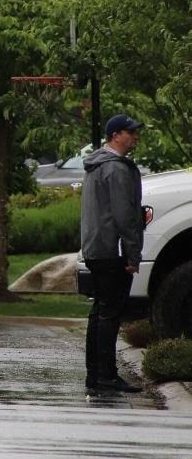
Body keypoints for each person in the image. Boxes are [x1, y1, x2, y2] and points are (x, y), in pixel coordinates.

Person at [81, 114, 144, 393]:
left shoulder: (96, 165)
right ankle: (106, 376)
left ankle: (95, 375)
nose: (135, 137)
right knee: (109, 314)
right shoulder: (116, 169)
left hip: (96, 247)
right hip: (112, 248)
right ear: (116, 135)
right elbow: (124, 215)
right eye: (131, 133)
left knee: (99, 312)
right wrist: (133, 253)